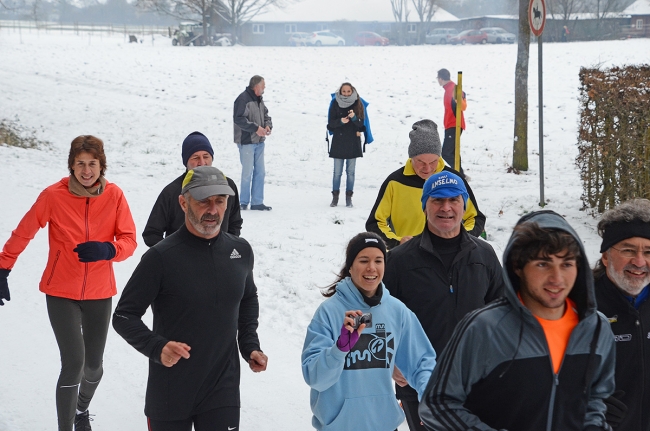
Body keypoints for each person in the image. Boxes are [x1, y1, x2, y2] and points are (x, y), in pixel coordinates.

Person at [419, 210, 616, 431]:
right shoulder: (484, 328)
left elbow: (595, 398)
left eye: (567, 264)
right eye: (543, 264)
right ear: (518, 267)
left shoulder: (596, 328)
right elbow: (436, 403)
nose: (557, 278)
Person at [112, 165, 267, 431]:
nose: (213, 209)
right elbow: (124, 316)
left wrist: (249, 345)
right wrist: (156, 346)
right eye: (203, 201)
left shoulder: (240, 251)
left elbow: (248, 299)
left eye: (220, 201)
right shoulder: (160, 258)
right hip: (171, 391)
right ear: (184, 203)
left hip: (223, 389)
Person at [0, 135, 137, 431]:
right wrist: (3, 267)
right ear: (71, 166)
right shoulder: (53, 196)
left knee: (93, 367)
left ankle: (81, 410)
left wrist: (108, 249)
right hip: (61, 291)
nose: (86, 170)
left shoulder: (114, 196)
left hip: (100, 293)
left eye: (92, 164)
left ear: (102, 166)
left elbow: (129, 240)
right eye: (80, 164)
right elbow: (24, 231)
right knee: (74, 362)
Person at [383, 170, 504, 431]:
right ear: (425, 205)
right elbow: (376, 316)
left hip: (475, 381)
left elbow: (506, 315)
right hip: (418, 382)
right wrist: (389, 360)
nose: (446, 208)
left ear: (464, 204)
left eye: (453, 200)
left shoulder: (484, 255)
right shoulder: (400, 260)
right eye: (437, 200)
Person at [302, 232, 436, 431]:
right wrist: (339, 350)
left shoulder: (397, 311)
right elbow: (315, 378)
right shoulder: (329, 312)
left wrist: (430, 403)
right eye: (363, 260)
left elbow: (421, 363)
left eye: (378, 260)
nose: (371, 268)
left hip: (384, 425)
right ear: (350, 266)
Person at [366, 119, 485, 250]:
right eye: (420, 161)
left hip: (447, 257)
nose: (427, 168)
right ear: (411, 157)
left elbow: (476, 219)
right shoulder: (395, 182)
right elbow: (375, 223)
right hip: (406, 257)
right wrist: (397, 243)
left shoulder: (453, 180)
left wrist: (458, 240)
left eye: (433, 161)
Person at [593, 198, 650, 431]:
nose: (639, 262)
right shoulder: (578, 304)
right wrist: (586, 401)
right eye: (628, 250)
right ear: (606, 256)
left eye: (648, 251)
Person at [142, 131, 242, 247]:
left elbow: (235, 223)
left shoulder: (227, 186)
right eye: (195, 157)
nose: (202, 162)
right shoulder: (172, 191)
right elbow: (151, 233)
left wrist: (226, 248)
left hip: (219, 258)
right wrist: (170, 255)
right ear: (186, 162)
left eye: (206, 156)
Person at [326, 82, 373, 208]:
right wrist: (340, 121)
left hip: (353, 142)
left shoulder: (358, 103)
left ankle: (349, 198)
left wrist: (354, 118)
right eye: (344, 91)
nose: (346, 94)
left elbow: (362, 126)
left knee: (350, 172)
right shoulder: (335, 103)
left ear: (352, 91)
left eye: (348, 91)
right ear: (340, 92)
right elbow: (330, 124)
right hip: (338, 142)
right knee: (337, 173)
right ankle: (335, 198)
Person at [233, 74, 273, 211]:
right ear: (256, 86)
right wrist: (256, 129)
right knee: (247, 173)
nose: (264, 88)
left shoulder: (259, 100)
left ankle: (257, 202)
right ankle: (243, 202)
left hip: (260, 142)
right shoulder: (242, 99)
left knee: (260, 172)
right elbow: (239, 119)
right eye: (263, 85)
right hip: (247, 142)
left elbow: (267, 115)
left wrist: (268, 126)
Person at [436, 68, 467, 178]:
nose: (437, 81)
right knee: (453, 153)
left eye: (437, 78)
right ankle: (460, 175)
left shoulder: (453, 88)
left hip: (455, 125)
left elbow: (463, 105)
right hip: (451, 125)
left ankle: (461, 175)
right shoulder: (448, 89)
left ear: (441, 78)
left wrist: (460, 99)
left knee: (446, 153)